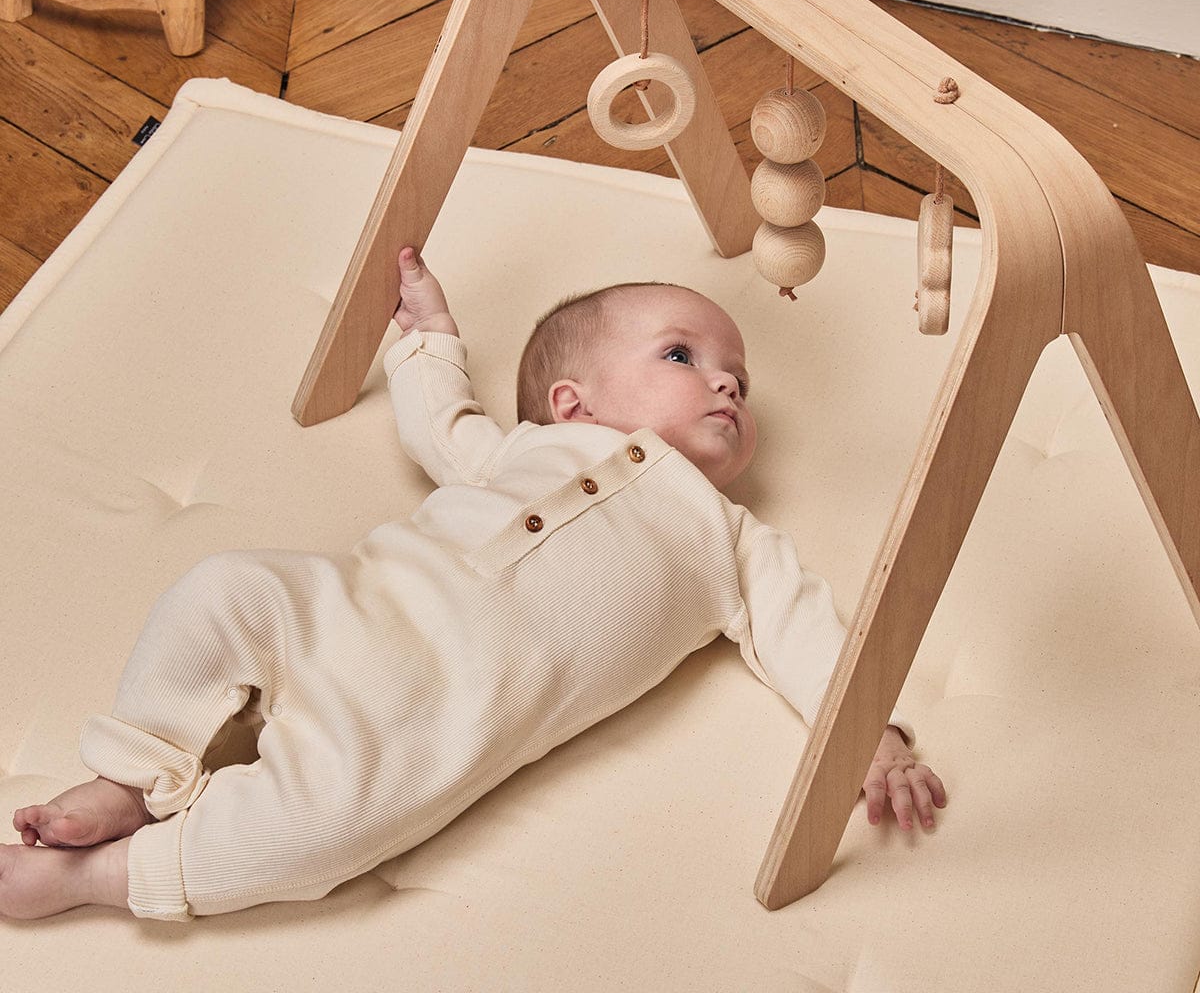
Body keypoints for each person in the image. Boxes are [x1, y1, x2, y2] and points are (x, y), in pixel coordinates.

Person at [1, 248, 945, 921]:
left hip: (421, 730)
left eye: (738, 378)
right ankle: (136, 772)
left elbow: (809, 634)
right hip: (343, 608)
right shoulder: (524, 450)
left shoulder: (729, 542)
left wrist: (875, 739)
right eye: (682, 356)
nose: (729, 384)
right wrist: (429, 337)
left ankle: (101, 878)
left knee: (316, 836)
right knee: (223, 589)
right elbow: (439, 425)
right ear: (573, 404)